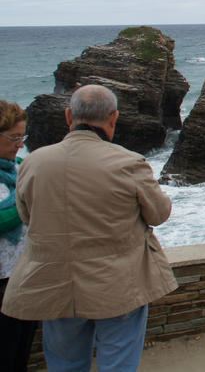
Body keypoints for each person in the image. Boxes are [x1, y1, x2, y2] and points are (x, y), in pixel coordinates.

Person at [1, 85, 177, 371]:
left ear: (69, 116)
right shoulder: (129, 163)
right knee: (118, 363)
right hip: (119, 284)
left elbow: (27, 215)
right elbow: (159, 214)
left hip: (55, 282)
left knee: (65, 364)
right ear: (113, 118)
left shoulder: (34, 163)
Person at [0, 100, 38, 372]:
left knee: (19, 353)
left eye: (22, 137)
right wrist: (28, 200)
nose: (19, 144)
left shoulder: (22, 166)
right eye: (14, 137)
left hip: (25, 276)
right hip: (2, 282)